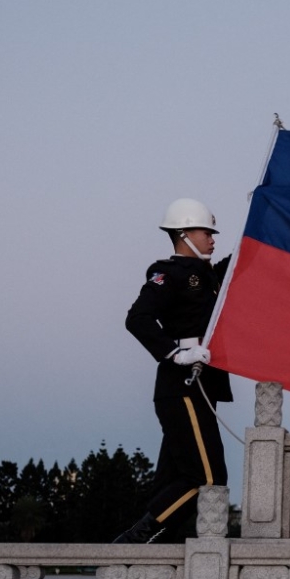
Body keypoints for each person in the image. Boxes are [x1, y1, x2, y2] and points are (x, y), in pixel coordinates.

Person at [113, 198, 233, 543]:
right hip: (181, 384)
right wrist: (173, 351)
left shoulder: (209, 276)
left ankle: (153, 556)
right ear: (184, 234)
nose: (212, 238)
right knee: (208, 477)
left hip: (201, 386)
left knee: (174, 477)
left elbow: (238, 264)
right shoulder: (170, 273)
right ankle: (136, 540)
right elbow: (137, 318)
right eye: (205, 231)